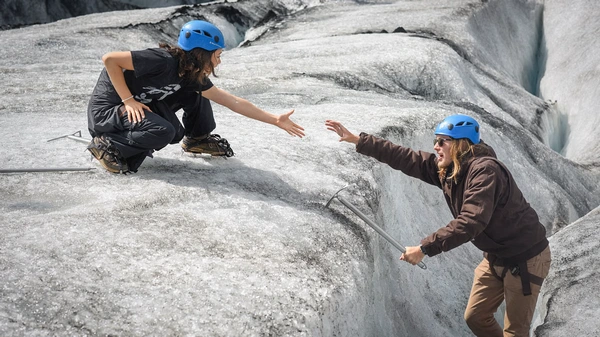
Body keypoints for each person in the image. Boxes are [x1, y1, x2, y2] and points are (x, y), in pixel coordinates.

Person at [326, 115, 551, 337]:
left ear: (461, 143)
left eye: (443, 141)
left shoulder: (485, 171)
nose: (436, 146)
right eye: (436, 140)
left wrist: (424, 248)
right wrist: (359, 140)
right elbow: (407, 158)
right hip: (496, 256)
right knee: (475, 317)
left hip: (525, 258)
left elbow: (471, 221)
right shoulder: (453, 168)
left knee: (515, 332)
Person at [87, 20, 304, 173]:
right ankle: (107, 145)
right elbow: (110, 60)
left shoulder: (189, 73)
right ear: (201, 54)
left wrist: (275, 119)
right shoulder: (162, 60)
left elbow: (232, 101)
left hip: (139, 105)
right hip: (108, 111)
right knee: (163, 131)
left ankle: (197, 139)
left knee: (190, 105)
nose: (218, 62)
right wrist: (127, 99)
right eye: (217, 56)